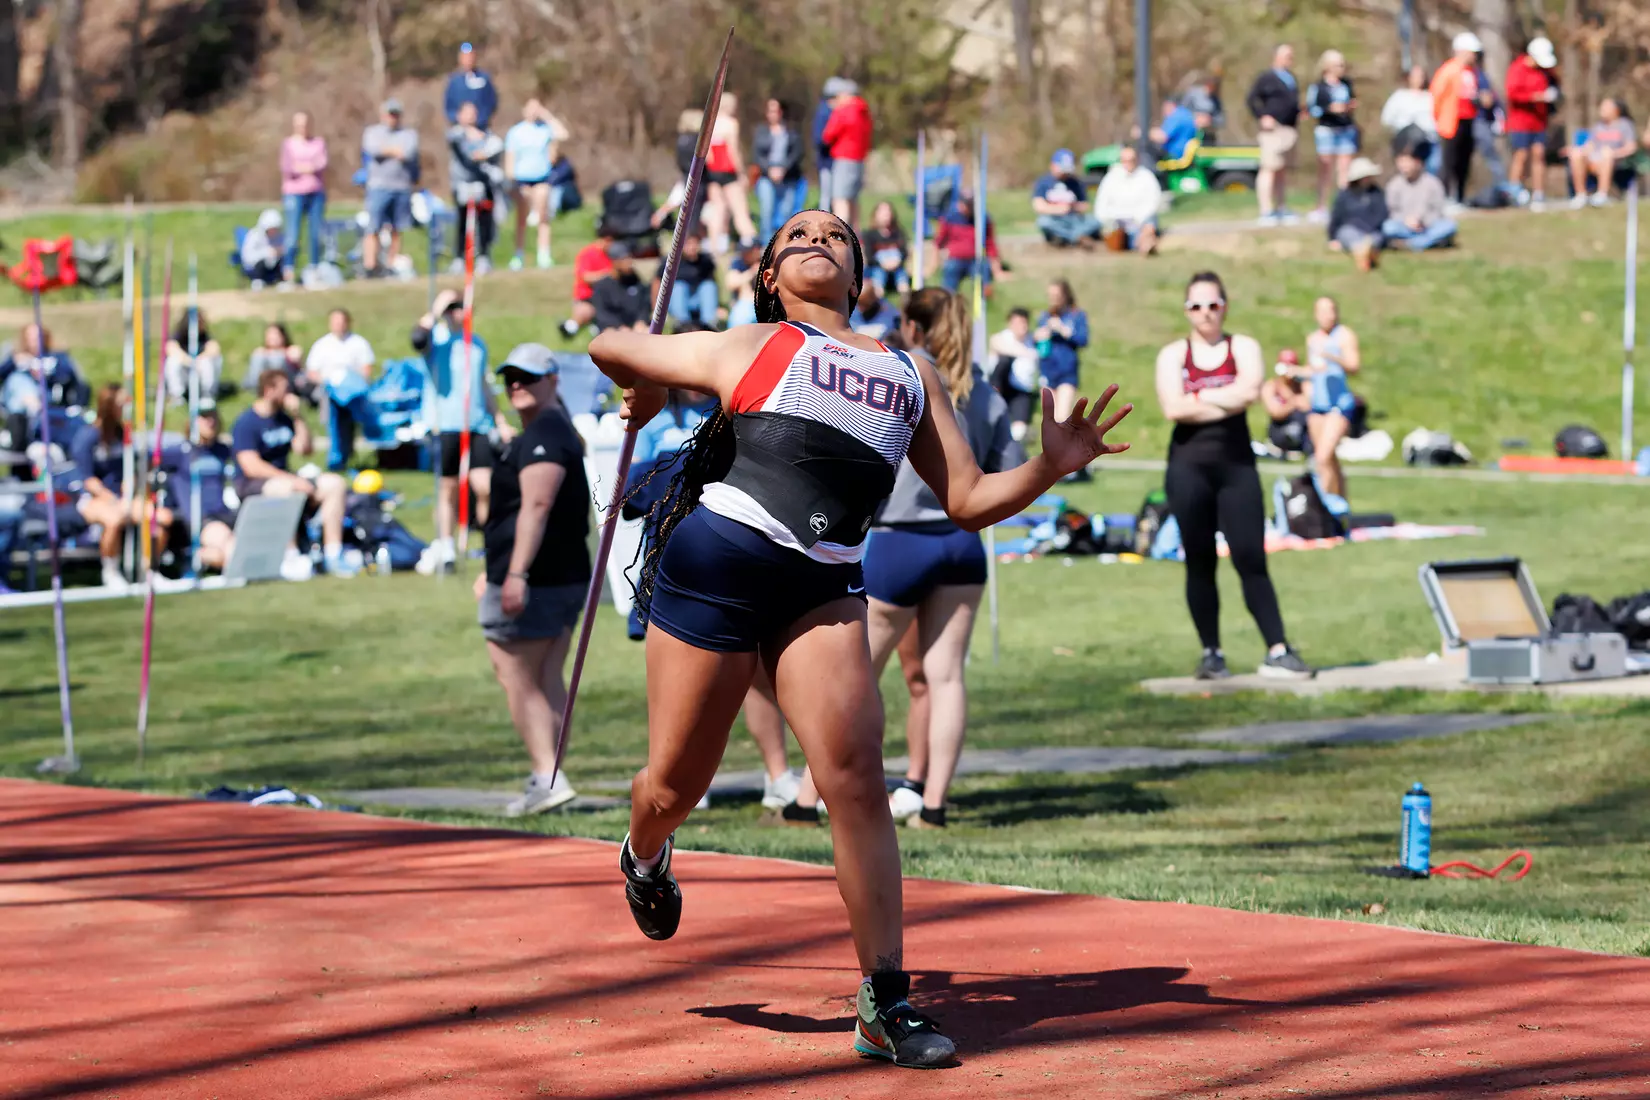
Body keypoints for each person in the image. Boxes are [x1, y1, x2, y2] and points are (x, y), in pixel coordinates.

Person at [586, 207, 1130, 1069]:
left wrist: (1048, 467)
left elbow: (967, 500)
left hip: (825, 584)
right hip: (717, 564)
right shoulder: (750, 345)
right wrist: (645, 386)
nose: (818, 240)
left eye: (835, 236)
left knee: (857, 782)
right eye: (797, 236)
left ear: (860, 276)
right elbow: (610, 343)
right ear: (770, 278)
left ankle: (885, 1001)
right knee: (674, 784)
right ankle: (644, 851)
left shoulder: (910, 371)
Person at [863, 287, 1023, 829]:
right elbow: (1009, 466)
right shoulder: (982, 390)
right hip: (961, 543)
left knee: (853, 678)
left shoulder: (898, 375)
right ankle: (933, 804)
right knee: (947, 677)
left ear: (912, 327)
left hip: (899, 539)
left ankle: (812, 796)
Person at [1154, 271, 1311, 681]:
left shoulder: (1243, 347)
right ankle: (1212, 653)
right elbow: (1173, 408)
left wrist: (1199, 397)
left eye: (1213, 304)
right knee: (1200, 561)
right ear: (1186, 311)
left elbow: (1250, 392)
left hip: (1236, 468)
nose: (1205, 313)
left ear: (1224, 307)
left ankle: (1278, 649)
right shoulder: (1173, 354)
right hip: (1188, 469)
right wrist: (1223, 399)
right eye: (1196, 306)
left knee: (1250, 557)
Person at [472, 343, 590, 815]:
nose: (516, 384)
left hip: (540, 577)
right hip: (557, 574)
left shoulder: (546, 433)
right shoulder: (551, 429)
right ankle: (550, 775)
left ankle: (547, 774)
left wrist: (515, 573)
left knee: (515, 672)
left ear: (553, 381)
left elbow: (537, 506)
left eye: (528, 377)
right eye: (510, 378)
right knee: (545, 675)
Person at [414, 289, 506, 575]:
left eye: (460, 306)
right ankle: (446, 546)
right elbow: (417, 339)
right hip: (446, 425)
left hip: (477, 424)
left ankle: (490, 543)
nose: (457, 311)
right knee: (448, 488)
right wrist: (436, 309)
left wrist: (500, 419)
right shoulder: (436, 342)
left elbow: (483, 385)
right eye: (452, 307)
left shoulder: (477, 344)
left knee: (485, 485)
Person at [231, 369, 354, 578]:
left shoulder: (284, 419)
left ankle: (333, 553)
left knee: (334, 484)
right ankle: (290, 556)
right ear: (269, 390)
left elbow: (305, 449)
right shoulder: (246, 423)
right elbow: (251, 466)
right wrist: (291, 480)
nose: (290, 394)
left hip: (287, 479)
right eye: (285, 389)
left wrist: (298, 416)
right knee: (286, 489)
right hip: (253, 484)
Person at [72, 383, 170, 589]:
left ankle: (150, 570)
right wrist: (113, 500)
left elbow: (132, 469)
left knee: (160, 518)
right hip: (94, 499)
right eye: (122, 403)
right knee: (114, 520)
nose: (127, 408)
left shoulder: (123, 435)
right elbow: (88, 480)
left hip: (124, 497)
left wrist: (130, 488)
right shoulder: (88, 437)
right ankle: (111, 572)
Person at [160, 407, 237, 572]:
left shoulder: (222, 450)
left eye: (213, 416)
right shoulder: (181, 452)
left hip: (223, 514)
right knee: (228, 543)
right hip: (199, 520)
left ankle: (195, 557)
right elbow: (145, 462)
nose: (210, 422)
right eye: (204, 417)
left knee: (220, 554)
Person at [1300, 296, 1361, 498]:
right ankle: (1342, 505)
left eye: (1331, 310)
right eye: (1323, 311)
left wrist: (1332, 357)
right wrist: (1296, 372)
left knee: (1322, 457)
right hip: (1318, 405)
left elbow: (1354, 366)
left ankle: (1328, 504)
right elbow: (1313, 370)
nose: (1328, 316)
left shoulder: (1344, 335)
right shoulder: (1312, 339)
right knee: (1329, 460)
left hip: (1339, 405)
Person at [306, 308, 377, 469]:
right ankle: (336, 458)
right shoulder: (322, 345)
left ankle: (348, 454)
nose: (338, 325)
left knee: (350, 422)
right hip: (330, 392)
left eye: (341, 321)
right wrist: (328, 382)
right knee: (334, 422)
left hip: (353, 392)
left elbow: (366, 370)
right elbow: (312, 371)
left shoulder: (358, 343)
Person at [505, 98, 570, 270]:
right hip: (522, 180)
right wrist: (511, 181)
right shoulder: (516, 132)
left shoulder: (545, 129)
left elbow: (563, 134)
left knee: (543, 216)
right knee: (522, 218)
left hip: (542, 178)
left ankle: (543, 255)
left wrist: (546, 115)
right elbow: (510, 158)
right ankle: (518, 254)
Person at [361, 99, 419, 276]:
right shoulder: (372, 132)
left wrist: (387, 150)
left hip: (401, 186)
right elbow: (373, 149)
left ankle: (391, 265)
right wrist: (393, 151)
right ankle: (370, 266)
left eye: (395, 114)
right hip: (378, 186)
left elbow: (408, 152)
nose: (392, 118)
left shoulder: (409, 134)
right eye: (390, 114)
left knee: (397, 228)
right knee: (373, 227)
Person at [1247, 43, 1302, 226]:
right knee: (1268, 168)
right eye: (1287, 55)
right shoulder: (1267, 78)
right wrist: (1262, 116)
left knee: (1282, 170)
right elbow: (1252, 99)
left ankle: (1281, 207)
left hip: (1289, 129)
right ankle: (1266, 210)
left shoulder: (1291, 78)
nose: (1290, 59)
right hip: (1272, 131)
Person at [448, 101, 505, 274]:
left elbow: (495, 150)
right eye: (467, 112)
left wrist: (484, 154)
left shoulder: (488, 135)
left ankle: (484, 257)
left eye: (473, 112)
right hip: (462, 185)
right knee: (462, 222)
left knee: (484, 221)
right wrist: (479, 154)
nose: (471, 116)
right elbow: (467, 156)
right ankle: (459, 258)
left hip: (483, 185)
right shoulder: (455, 135)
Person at [702, 92, 759, 253]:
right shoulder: (731, 124)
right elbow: (733, 150)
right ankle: (752, 242)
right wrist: (741, 173)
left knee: (717, 210)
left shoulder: (709, 123)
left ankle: (714, 248)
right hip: (728, 171)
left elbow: (707, 153)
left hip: (713, 172)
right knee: (740, 210)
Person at [1505, 38, 1559, 209]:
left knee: (1539, 154)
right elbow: (1512, 93)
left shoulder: (1546, 71)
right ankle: (1514, 191)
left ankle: (1539, 193)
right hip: (1520, 121)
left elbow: (1555, 85)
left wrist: (1553, 95)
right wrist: (1535, 97)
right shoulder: (1518, 68)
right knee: (1521, 155)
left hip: (1539, 120)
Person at [1431, 33, 1484, 206]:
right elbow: (1437, 96)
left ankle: (1460, 196)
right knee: (1449, 161)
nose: (1474, 56)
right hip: (1452, 122)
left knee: (1464, 160)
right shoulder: (1449, 70)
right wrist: (1438, 118)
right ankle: (1445, 197)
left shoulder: (1472, 72)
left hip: (1469, 120)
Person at [1306, 50, 1359, 222]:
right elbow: (1312, 109)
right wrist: (1329, 109)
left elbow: (1353, 101)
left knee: (1345, 170)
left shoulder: (1346, 84)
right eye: (1338, 65)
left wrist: (1349, 107)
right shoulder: (1318, 87)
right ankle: (1321, 206)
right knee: (1325, 170)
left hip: (1345, 130)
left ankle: (1344, 206)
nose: (1341, 68)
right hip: (1326, 131)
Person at [279, 111, 328, 283]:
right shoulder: (288, 144)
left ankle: (314, 268)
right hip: (294, 193)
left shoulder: (319, 143)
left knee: (316, 232)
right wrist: (308, 167)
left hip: (315, 193)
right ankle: (289, 269)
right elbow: (287, 167)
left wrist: (303, 167)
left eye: (305, 124)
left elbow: (322, 163)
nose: (302, 127)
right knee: (292, 234)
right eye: (299, 124)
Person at [1568, 97, 1639, 208]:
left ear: (1616, 110)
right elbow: (1589, 146)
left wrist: (1614, 153)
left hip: (1615, 162)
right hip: (1593, 161)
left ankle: (1602, 195)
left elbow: (1631, 147)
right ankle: (1580, 195)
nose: (1602, 109)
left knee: (1606, 153)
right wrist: (1577, 150)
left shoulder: (1625, 125)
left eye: (1606, 107)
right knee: (1576, 153)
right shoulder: (1598, 126)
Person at [752, 98, 807, 239]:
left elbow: (797, 153)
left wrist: (784, 168)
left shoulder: (791, 131)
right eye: (770, 111)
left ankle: (784, 242)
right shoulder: (761, 131)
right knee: (767, 210)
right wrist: (769, 169)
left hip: (788, 178)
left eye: (775, 111)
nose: (772, 114)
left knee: (786, 212)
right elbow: (757, 155)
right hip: (766, 177)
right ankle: (766, 243)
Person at [1382, 150, 1458, 250]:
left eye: (1407, 162)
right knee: (1388, 227)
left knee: (1449, 226)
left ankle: (1413, 243)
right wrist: (1406, 220)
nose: (1404, 166)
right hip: (1404, 226)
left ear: (1418, 163)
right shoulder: (1394, 184)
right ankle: (1427, 243)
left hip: (1428, 227)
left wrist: (1421, 220)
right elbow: (1392, 210)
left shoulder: (1433, 183)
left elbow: (1437, 210)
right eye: (1401, 162)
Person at [821, 79, 872, 228]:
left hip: (843, 159)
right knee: (853, 201)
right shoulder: (864, 111)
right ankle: (855, 235)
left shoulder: (843, 110)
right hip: (859, 160)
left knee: (840, 200)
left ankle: (840, 233)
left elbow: (828, 135)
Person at [1093, 144, 1162, 255]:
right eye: (1125, 160)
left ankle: (1145, 242)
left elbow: (1154, 202)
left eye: (1131, 160)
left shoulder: (1146, 176)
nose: (1128, 163)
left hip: (1139, 221)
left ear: (1137, 160)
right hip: (1117, 222)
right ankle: (1142, 243)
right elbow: (1101, 204)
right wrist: (1109, 221)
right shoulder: (1111, 178)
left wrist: (1139, 218)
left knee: (1149, 223)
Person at [1036, 279, 1088, 422]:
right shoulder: (1045, 316)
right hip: (1047, 370)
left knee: (1061, 418)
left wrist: (1063, 330)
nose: (1053, 300)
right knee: (1049, 419)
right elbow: (1037, 344)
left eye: (1056, 296)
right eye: (1050, 296)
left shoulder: (1077, 315)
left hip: (1067, 371)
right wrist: (1038, 337)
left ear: (1065, 295)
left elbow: (1083, 340)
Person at [932, 192, 1002, 298]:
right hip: (955, 259)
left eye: (970, 204)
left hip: (975, 260)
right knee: (948, 287)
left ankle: (984, 300)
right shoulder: (950, 218)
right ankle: (947, 300)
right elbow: (938, 242)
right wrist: (934, 264)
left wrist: (997, 270)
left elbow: (990, 244)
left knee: (983, 275)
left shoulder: (982, 219)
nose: (967, 208)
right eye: (965, 204)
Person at [1326, 157, 1388, 272]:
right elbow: (1336, 217)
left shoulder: (1377, 193)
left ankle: (1366, 252)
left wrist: (1369, 230)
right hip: (1350, 229)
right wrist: (1332, 238)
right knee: (1347, 234)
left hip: (1371, 231)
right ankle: (1362, 252)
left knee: (1377, 237)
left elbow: (1382, 214)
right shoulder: (1344, 195)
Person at [1030, 148, 1102, 247]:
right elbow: (1038, 206)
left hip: (1074, 219)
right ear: (1053, 165)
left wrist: (1073, 207)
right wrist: (1058, 209)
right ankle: (1076, 237)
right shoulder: (1044, 182)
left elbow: (1085, 205)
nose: (1064, 173)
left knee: (1095, 222)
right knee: (1043, 222)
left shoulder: (1075, 182)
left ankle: (1066, 238)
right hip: (1054, 219)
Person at [989, 307, 1039, 441]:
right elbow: (996, 344)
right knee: (1004, 361)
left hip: (1021, 390)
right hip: (1000, 385)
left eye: (1023, 323)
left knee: (1018, 431)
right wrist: (1027, 353)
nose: (1021, 327)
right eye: (1017, 323)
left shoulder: (1032, 340)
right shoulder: (1001, 338)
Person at [562, 223, 614, 338]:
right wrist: (607, 275)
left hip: (607, 298)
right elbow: (585, 277)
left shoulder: (612, 255)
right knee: (585, 311)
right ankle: (570, 327)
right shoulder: (588, 254)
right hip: (587, 298)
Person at [163, 307, 224, 403]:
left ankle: (207, 395)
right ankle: (177, 395)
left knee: (207, 362)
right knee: (173, 362)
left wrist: (199, 360)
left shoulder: (204, 337)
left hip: (200, 372)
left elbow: (214, 349)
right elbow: (171, 348)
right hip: (185, 372)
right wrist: (190, 361)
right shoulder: (179, 336)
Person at [1381, 65, 1438, 168]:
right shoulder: (1399, 96)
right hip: (1406, 145)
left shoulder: (1430, 97)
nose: (1418, 79)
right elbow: (1387, 119)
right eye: (1415, 76)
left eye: (1420, 76)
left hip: (1428, 142)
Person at [242, 322, 312, 403]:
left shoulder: (291, 350)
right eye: (269, 334)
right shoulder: (261, 353)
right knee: (258, 357)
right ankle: (258, 388)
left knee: (277, 357)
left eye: (275, 334)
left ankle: (275, 389)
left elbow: (301, 368)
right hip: (260, 381)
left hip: (289, 383)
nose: (272, 337)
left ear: (283, 336)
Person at [592, 241, 651, 333]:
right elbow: (602, 313)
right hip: (614, 327)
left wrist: (641, 321)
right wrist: (619, 326)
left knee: (648, 332)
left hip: (636, 327)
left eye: (630, 258)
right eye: (624, 259)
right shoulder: (602, 286)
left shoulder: (635, 279)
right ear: (615, 262)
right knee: (610, 334)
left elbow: (644, 305)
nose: (629, 263)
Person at [667, 231, 721, 328]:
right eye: (688, 244)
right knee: (679, 287)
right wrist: (656, 309)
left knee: (708, 286)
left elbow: (713, 283)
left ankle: (709, 325)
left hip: (699, 299)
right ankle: (682, 325)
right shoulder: (672, 261)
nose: (692, 247)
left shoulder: (706, 261)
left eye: (694, 243)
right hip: (678, 301)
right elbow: (658, 284)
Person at [812, 77, 849, 210]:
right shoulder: (824, 112)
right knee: (827, 196)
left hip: (835, 162)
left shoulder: (833, 112)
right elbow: (819, 139)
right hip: (827, 162)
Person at [858, 201, 910, 295]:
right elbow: (869, 257)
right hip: (877, 269)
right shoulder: (869, 235)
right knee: (878, 271)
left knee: (901, 272)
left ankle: (904, 290)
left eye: (888, 212)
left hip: (896, 269)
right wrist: (883, 264)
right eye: (883, 213)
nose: (886, 215)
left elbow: (904, 252)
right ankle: (878, 291)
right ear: (876, 215)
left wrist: (897, 262)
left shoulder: (898, 233)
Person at [444, 41, 497, 128]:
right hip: (459, 127)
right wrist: (459, 117)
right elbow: (449, 106)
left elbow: (491, 103)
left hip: (481, 127)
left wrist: (478, 118)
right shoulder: (454, 81)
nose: (468, 59)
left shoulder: (484, 79)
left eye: (470, 56)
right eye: (465, 56)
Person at [238, 208, 285, 287]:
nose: (273, 232)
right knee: (261, 263)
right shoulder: (254, 235)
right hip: (256, 269)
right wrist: (267, 253)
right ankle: (258, 281)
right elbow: (247, 257)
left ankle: (281, 280)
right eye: (271, 229)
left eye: (275, 229)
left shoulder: (281, 237)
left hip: (274, 268)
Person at [724, 241, 762, 328]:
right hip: (744, 305)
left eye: (748, 251)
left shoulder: (766, 261)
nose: (744, 254)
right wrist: (751, 272)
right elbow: (731, 284)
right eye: (743, 251)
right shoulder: (738, 263)